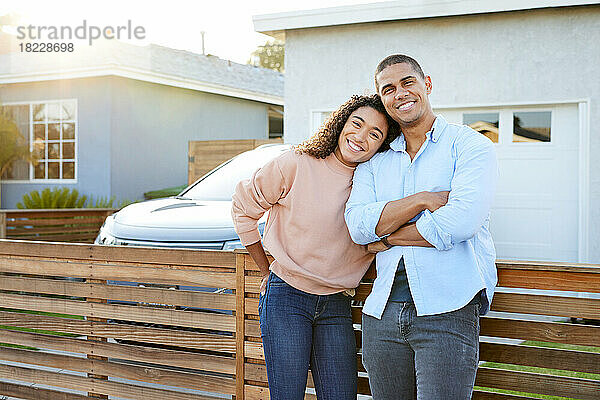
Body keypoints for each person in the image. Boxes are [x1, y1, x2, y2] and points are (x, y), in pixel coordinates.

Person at [345, 54, 498, 399]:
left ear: (426, 84)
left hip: (449, 308)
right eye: (388, 89)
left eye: (407, 82)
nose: (399, 93)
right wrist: (421, 201)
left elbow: (460, 223)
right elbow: (357, 226)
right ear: (382, 99)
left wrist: (386, 237)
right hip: (381, 313)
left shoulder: (470, 146)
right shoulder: (375, 160)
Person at [230, 94, 403, 400]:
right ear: (341, 123)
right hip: (287, 298)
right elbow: (244, 208)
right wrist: (265, 268)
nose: (361, 137)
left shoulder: (373, 184)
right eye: (357, 124)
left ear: (382, 145)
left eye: (374, 134)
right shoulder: (296, 163)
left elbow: (374, 235)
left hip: (336, 303)